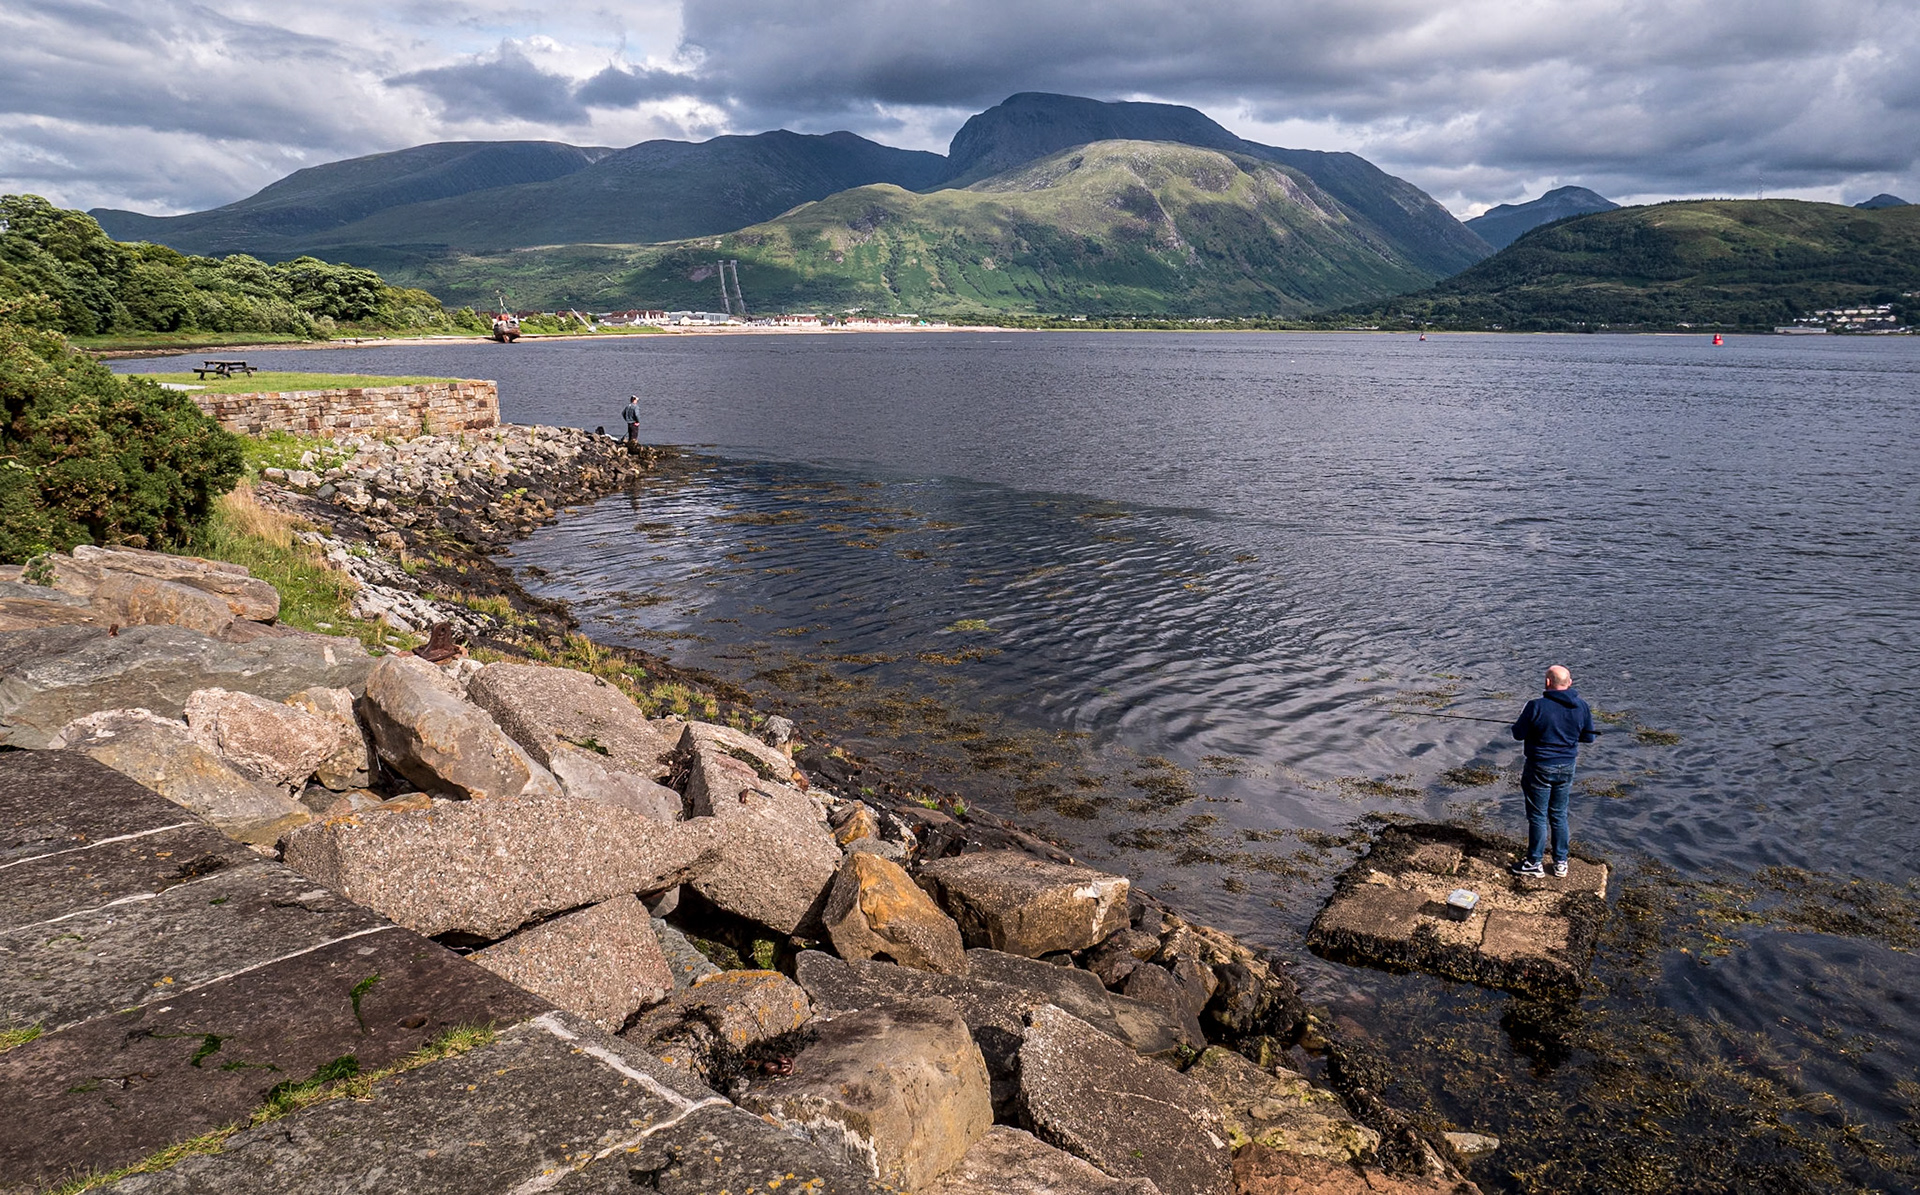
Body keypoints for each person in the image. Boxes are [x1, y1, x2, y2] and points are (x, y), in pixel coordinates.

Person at [1509, 664, 1597, 878]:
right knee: (1559, 814)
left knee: (1538, 815)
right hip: (1567, 766)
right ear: (1570, 683)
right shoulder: (1582, 706)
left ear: (1548, 682)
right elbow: (1588, 737)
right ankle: (1560, 862)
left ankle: (1534, 862)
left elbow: (1518, 734)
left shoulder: (1535, 706)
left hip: (1540, 766)